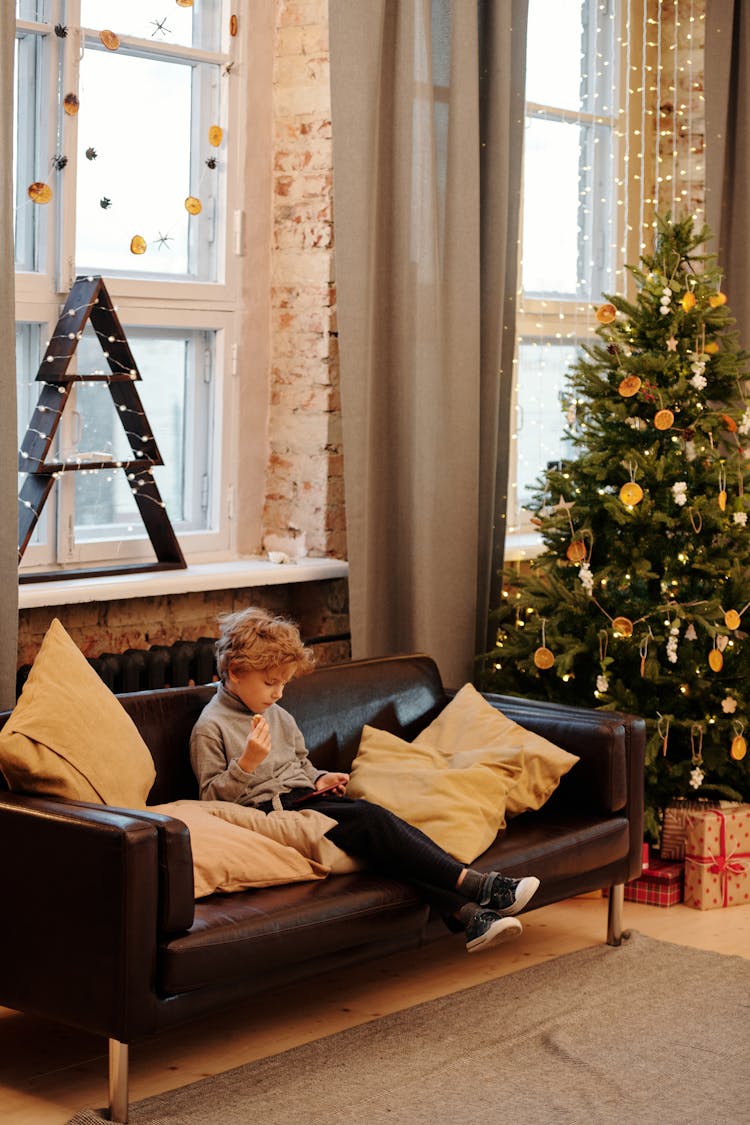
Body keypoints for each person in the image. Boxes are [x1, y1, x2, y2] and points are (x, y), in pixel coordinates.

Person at [189, 607, 540, 953]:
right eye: (270, 683)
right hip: (276, 809)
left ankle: (472, 917)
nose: (279, 693)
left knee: (387, 844)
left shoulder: (277, 714)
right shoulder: (210, 727)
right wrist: (246, 764)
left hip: (307, 797)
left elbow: (301, 764)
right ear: (235, 672)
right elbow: (210, 799)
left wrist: (321, 778)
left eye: (283, 682)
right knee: (374, 820)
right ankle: (477, 884)